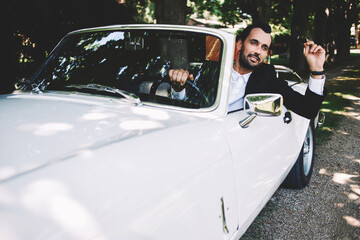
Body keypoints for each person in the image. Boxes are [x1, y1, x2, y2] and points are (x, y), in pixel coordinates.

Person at [169, 23, 327, 119]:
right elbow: (188, 104)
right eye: (254, 43)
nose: (258, 51)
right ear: (238, 45)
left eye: (264, 47)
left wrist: (317, 70)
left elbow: (307, 110)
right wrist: (178, 88)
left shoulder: (268, 78)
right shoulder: (212, 70)